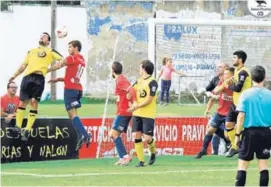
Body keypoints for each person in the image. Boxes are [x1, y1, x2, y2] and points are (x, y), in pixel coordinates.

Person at [9, 32, 63, 141]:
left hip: (39, 79)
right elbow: (23, 65)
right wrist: (14, 76)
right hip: (27, 78)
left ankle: (27, 130)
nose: (41, 36)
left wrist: (51, 69)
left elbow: (62, 60)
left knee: (34, 102)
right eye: (41, 35)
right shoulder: (31, 51)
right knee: (23, 102)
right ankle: (18, 127)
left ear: (48, 41)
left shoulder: (50, 51)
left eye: (44, 36)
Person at [48, 40, 91, 151]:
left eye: (70, 47)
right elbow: (72, 75)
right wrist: (58, 79)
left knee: (73, 115)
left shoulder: (73, 58)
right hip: (77, 89)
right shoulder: (82, 59)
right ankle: (80, 136)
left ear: (76, 48)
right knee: (72, 115)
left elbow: (60, 63)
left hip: (70, 90)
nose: (69, 49)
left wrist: (46, 70)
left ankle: (85, 135)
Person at [234, 65, 271, 186]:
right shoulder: (269, 95)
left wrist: (237, 135)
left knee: (243, 165)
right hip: (266, 132)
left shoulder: (246, 94)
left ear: (252, 77)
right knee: (263, 164)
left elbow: (240, 117)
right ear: (264, 77)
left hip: (249, 133)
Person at [195, 67, 234, 159]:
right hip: (220, 112)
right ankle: (203, 150)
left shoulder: (236, 85)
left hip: (230, 113)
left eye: (226, 74)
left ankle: (234, 146)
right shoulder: (222, 82)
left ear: (232, 75)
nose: (224, 76)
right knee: (210, 130)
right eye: (224, 74)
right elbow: (215, 92)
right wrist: (224, 85)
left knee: (227, 136)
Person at [128, 60, 158, 167]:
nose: (139, 69)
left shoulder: (152, 82)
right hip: (137, 113)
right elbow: (131, 91)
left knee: (147, 138)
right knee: (136, 135)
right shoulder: (138, 81)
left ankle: (153, 152)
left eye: (140, 67)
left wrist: (137, 105)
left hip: (148, 114)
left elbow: (150, 99)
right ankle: (141, 161)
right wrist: (130, 96)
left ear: (144, 68)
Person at [223, 50, 252, 157]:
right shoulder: (236, 70)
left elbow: (238, 88)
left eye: (234, 57)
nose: (232, 59)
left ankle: (238, 147)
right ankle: (235, 146)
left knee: (243, 128)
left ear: (240, 59)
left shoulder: (243, 72)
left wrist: (228, 86)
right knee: (228, 124)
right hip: (235, 103)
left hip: (244, 104)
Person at [109, 61, 133, 166]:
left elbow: (131, 90)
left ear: (113, 70)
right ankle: (122, 157)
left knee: (113, 134)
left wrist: (132, 100)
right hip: (122, 111)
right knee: (114, 134)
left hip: (124, 112)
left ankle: (125, 156)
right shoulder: (120, 80)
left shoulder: (121, 80)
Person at [204, 63, 229, 155]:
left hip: (230, 111)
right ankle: (213, 152)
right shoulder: (215, 79)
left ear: (226, 68)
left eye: (220, 67)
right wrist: (208, 109)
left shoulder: (231, 81)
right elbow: (207, 91)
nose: (217, 68)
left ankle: (232, 146)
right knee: (212, 129)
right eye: (217, 67)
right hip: (220, 111)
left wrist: (218, 95)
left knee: (228, 133)